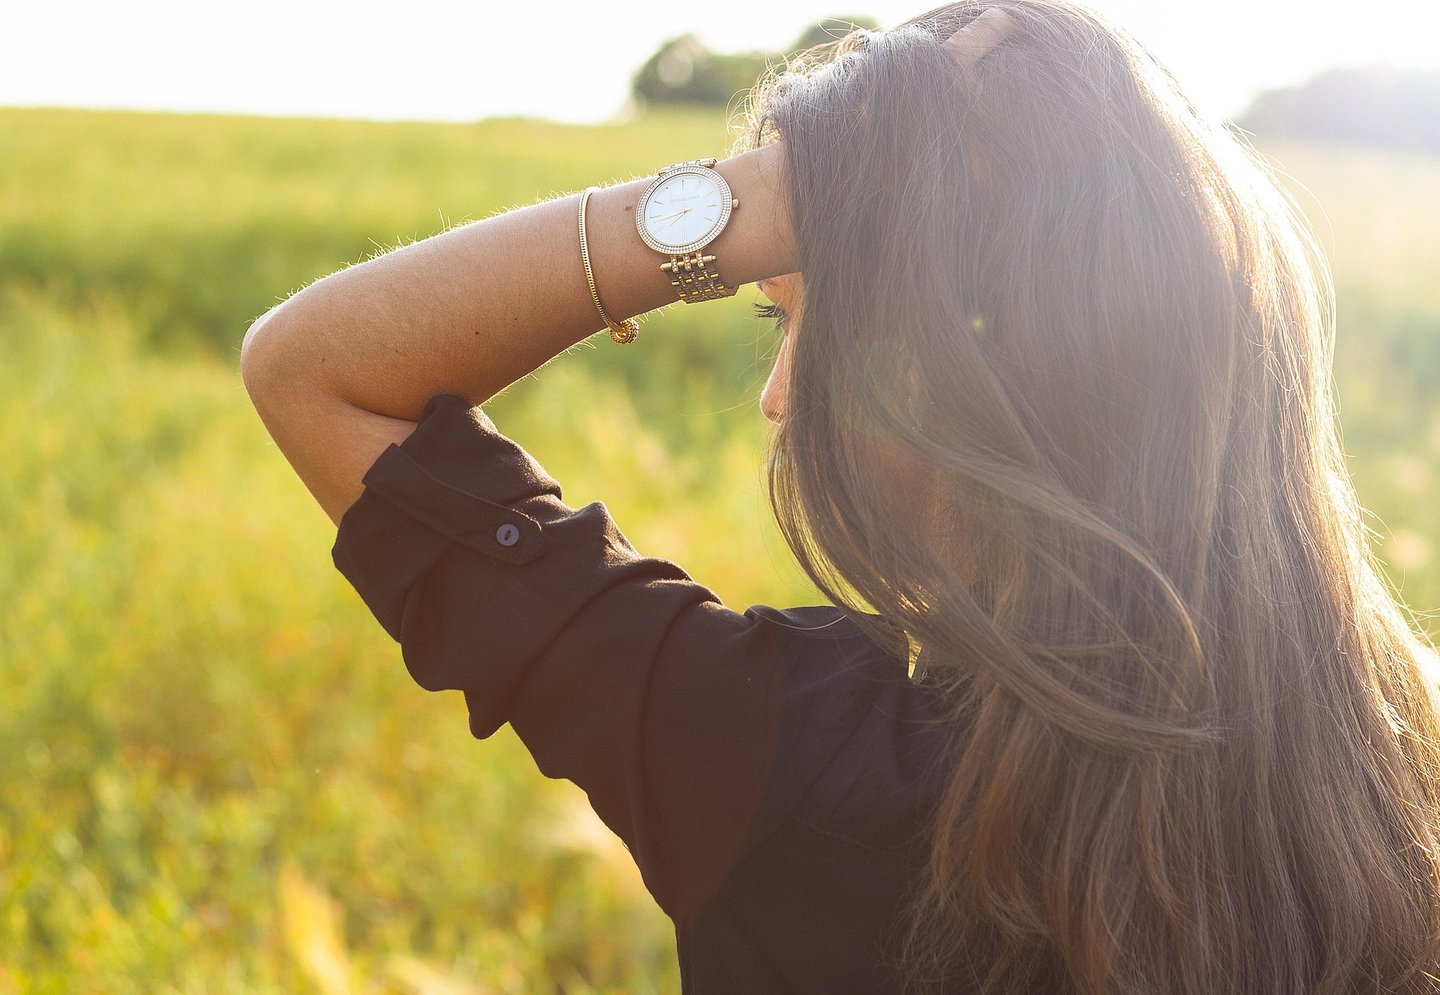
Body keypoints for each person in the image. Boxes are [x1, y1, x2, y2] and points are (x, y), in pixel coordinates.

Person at [239, 1, 1440, 991]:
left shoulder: (788, 766)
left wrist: (769, 193)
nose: (778, 396)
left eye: (820, 321)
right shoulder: (1402, 757)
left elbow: (316, 371)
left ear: (991, 362)